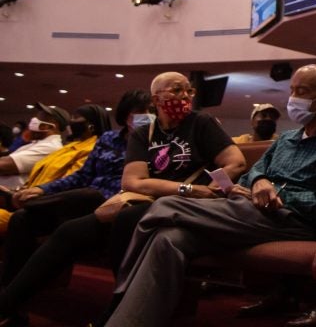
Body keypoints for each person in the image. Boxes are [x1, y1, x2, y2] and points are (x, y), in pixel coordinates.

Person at [102, 64, 316, 327]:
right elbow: (253, 173)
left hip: (292, 219)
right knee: (168, 238)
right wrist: (259, 181)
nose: (292, 98)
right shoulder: (286, 139)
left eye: (301, 91)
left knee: (167, 205)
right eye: (292, 90)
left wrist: (278, 195)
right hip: (252, 211)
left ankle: (120, 288)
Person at [0, 74, 245, 327]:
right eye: (175, 90)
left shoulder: (200, 122)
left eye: (188, 91)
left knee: (126, 220)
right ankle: (7, 305)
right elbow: (133, 182)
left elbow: (235, 161)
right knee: (69, 231)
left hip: (176, 207)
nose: (183, 97)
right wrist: (188, 188)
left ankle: (116, 312)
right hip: (150, 199)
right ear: (156, 98)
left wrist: (210, 189)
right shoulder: (143, 133)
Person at [0, 91, 149, 295]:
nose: (148, 116)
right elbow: (81, 176)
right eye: (141, 112)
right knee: (21, 219)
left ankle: (28, 202)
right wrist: (41, 189)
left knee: (89, 196)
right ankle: (8, 294)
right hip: (79, 202)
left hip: (113, 205)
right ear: (125, 115)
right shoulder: (108, 138)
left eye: (152, 112)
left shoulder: (154, 144)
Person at [0, 104, 112, 234]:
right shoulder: (68, 147)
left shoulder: (92, 149)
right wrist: (18, 191)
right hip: (27, 199)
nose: (72, 122)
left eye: (76, 118)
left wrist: (36, 194)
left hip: (43, 206)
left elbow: (72, 183)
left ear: (91, 125)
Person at [0, 104, 70, 190]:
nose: (33, 121)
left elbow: (3, 166)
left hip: (10, 198)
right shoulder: (36, 144)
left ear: (50, 126)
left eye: (39, 119)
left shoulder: (50, 147)